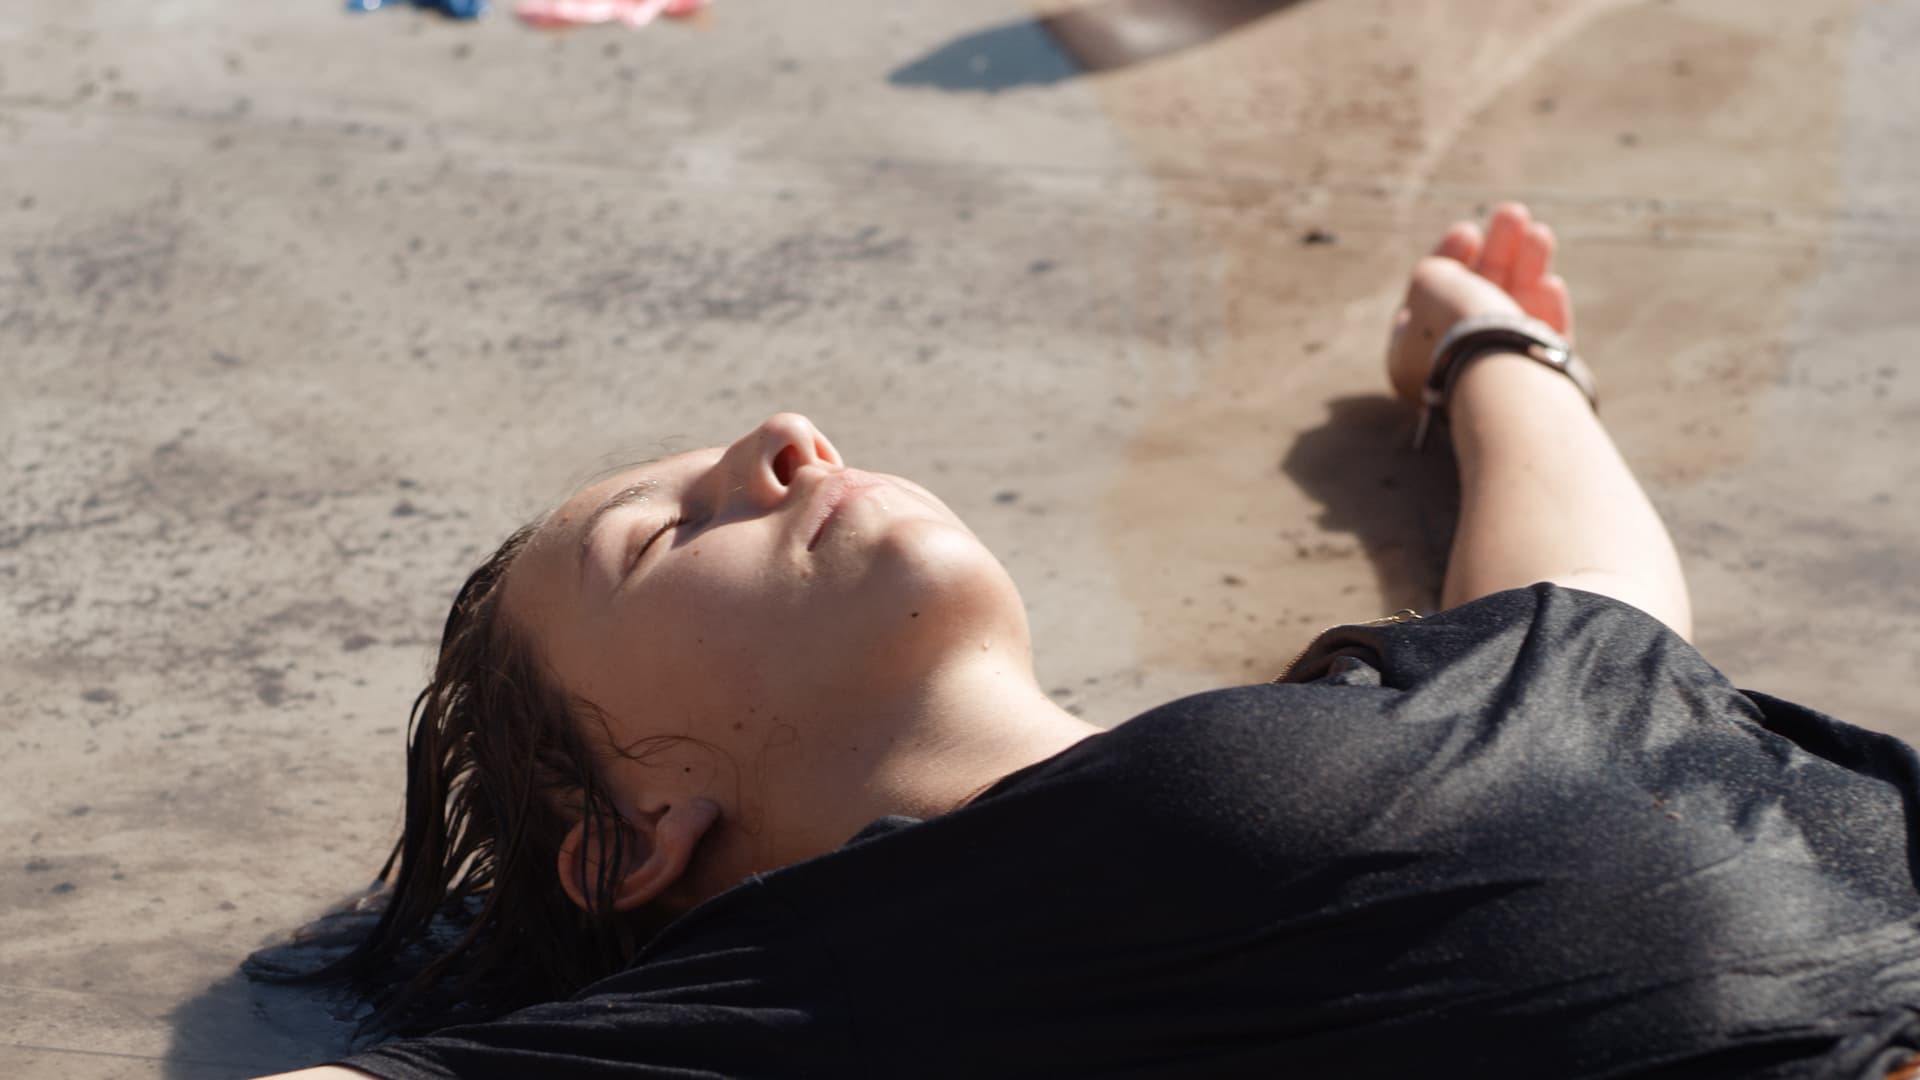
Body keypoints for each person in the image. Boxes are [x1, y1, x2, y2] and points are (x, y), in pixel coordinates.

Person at [257, 205, 1920, 1080]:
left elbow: (1597, 613)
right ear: (632, 839)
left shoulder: (1429, 700)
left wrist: (1492, 352)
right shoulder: (857, 968)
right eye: (661, 535)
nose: (783, 439)